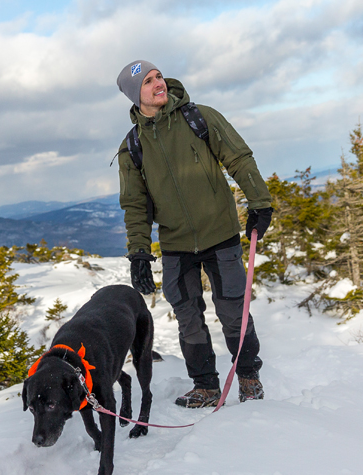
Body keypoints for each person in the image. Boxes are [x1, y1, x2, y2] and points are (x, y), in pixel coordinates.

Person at [114, 60, 275, 408]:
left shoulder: (199, 118)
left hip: (221, 235)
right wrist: (139, 252)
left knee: (234, 311)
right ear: (134, 95)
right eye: (147, 82)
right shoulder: (132, 147)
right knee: (187, 318)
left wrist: (260, 203)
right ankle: (205, 385)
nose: (158, 83)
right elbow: (135, 205)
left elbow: (239, 159)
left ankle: (248, 376)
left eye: (158, 76)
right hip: (176, 245)